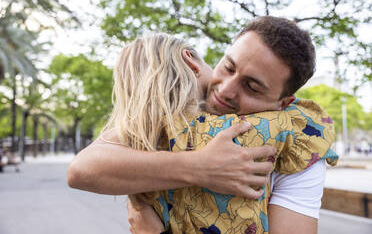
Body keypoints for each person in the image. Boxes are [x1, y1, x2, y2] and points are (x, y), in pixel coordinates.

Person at [67, 16, 335, 233]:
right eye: (228, 67)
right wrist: (201, 167)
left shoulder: (296, 145)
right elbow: (81, 170)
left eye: (251, 87)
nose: (225, 90)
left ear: (283, 103)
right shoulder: (176, 112)